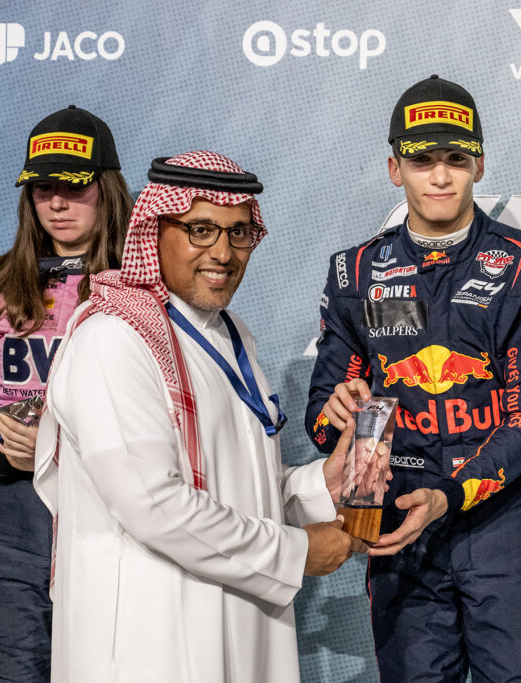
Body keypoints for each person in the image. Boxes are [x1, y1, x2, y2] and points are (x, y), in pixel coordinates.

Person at [32, 151, 365, 682]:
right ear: (154, 231)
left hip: (238, 627)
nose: (223, 253)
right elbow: (154, 504)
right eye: (201, 230)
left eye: (239, 233)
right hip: (150, 640)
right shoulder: (114, 339)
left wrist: (318, 485)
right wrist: (295, 552)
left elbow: (234, 483)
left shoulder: (232, 334)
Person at [306, 75, 521, 682]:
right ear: (394, 168)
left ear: (479, 164)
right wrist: (337, 413)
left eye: (455, 159)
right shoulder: (355, 273)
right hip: (398, 519)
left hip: (499, 522)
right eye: (421, 160)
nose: (439, 176)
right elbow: (322, 421)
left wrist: (449, 497)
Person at [0, 105, 132, 682]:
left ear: (107, 188)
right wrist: (0, 454)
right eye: (44, 189)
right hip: (14, 524)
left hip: (116, 515)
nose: (58, 203)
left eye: (74, 187)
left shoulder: (144, 287)